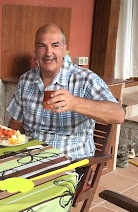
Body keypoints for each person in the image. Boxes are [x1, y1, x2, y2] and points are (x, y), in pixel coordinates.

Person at [7, 23, 125, 161]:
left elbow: (118, 115)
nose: (48, 53)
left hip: (71, 162)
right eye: (42, 46)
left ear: (64, 50)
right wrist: (15, 147)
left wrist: (75, 103)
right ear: (35, 50)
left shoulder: (85, 79)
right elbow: (15, 123)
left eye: (55, 45)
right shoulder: (26, 80)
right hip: (30, 158)